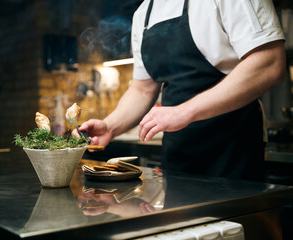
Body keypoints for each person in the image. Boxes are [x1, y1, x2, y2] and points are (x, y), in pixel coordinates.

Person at [74, 0, 286, 181]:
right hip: (178, 152)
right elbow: (142, 89)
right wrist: (110, 126)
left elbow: (269, 63)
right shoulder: (144, 14)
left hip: (233, 147)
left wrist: (184, 112)